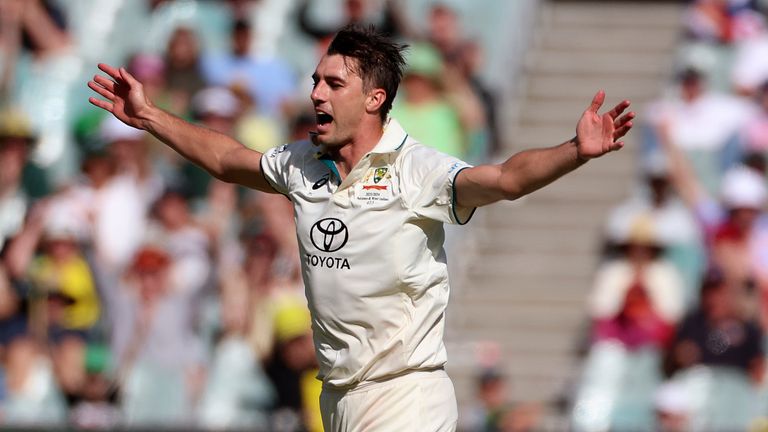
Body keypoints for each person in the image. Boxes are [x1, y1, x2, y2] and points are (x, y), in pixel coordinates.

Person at [87, 25, 634, 432]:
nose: (317, 94)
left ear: (374, 99)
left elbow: (506, 179)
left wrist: (574, 152)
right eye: (315, 82)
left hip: (406, 398)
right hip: (338, 399)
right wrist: (151, 117)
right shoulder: (302, 162)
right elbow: (229, 160)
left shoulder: (416, 169)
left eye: (334, 83)